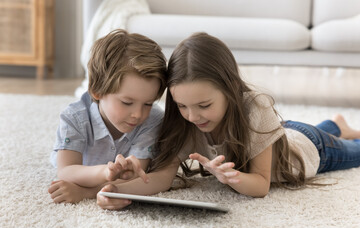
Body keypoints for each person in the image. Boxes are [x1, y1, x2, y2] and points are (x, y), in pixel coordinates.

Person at [148, 32, 360, 198]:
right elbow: (161, 177)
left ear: (230, 89)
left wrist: (230, 178)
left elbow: (261, 186)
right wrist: (116, 188)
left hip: (312, 147)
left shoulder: (256, 106)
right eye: (182, 106)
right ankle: (336, 125)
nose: (192, 116)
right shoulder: (187, 122)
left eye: (204, 105)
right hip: (283, 133)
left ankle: (335, 129)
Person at [48, 29, 179, 205]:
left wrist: (84, 192)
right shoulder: (75, 117)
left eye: (148, 103)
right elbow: (66, 170)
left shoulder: (153, 120)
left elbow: (136, 178)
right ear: (97, 91)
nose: (138, 114)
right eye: (126, 102)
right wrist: (104, 172)